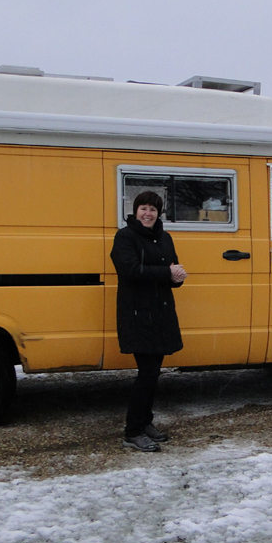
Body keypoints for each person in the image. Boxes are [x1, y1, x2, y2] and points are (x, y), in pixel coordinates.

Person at [110, 190, 187, 452]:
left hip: (161, 313)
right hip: (138, 314)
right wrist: (167, 272)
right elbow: (129, 270)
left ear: (158, 213)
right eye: (143, 208)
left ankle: (145, 423)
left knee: (153, 373)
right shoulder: (125, 237)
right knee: (147, 373)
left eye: (153, 209)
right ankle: (132, 431)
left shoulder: (164, 238)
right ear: (135, 211)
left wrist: (177, 277)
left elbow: (170, 270)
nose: (148, 213)